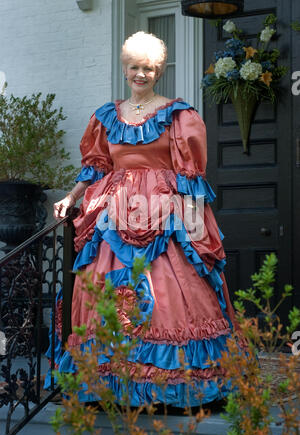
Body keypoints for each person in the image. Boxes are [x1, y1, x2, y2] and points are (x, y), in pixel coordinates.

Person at [47, 31, 243, 407]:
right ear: (125, 69)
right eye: (134, 67)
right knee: (104, 287)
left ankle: (175, 383)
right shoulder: (106, 116)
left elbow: (189, 173)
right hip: (114, 211)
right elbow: (96, 167)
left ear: (159, 71)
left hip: (163, 213)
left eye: (149, 68)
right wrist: (71, 197)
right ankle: (108, 382)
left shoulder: (178, 114)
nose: (141, 74)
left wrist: (195, 227)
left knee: (173, 288)